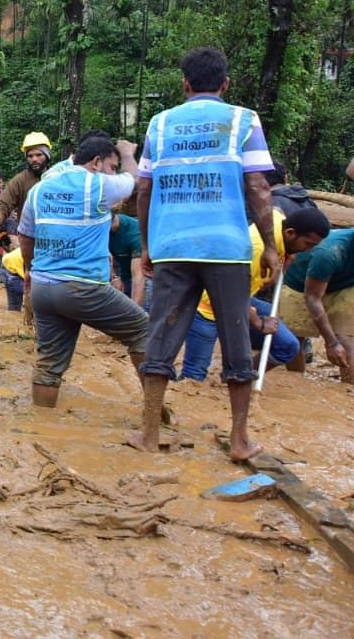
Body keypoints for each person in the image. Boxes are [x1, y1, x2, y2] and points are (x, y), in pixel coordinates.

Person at [130, 47, 279, 462]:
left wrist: (147, 244)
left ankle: (147, 434)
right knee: (234, 338)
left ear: (185, 84)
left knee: (161, 335)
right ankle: (239, 440)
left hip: (173, 246)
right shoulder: (243, 120)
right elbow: (258, 188)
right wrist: (268, 244)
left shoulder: (160, 124)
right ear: (226, 84)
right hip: (227, 248)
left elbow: (144, 189)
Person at [19, 137, 147, 406]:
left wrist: (29, 273)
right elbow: (134, 179)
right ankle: (155, 414)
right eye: (112, 167)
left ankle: (40, 427)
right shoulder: (97, 184)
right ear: (97, 162)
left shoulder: (40, 189)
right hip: (83, 288)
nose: (113, 172)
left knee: (49, 364)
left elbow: (26, 237)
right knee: (144, 330)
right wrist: (126, 153)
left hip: (43, 288)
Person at [183, 207, 329, 381]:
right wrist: (258, 323)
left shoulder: (275, 222)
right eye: (307, 244)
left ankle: (234, 381)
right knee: (194, 376)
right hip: (208, 308)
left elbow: (275, 208)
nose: (308, 250)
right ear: (290, 233)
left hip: (239, 298)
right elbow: (231, 297)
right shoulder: (257, 251)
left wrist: (285, 255)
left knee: (288, 346)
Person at [279, 214, 354, 383]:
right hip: (299, 285)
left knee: (347, 336)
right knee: (295, 337)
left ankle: (348, 389)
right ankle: (298, 381)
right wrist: (331, 343)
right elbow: (312, 298)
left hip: (345, 283)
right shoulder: (328, 253)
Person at [0, 132, 53, 235]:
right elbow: (3, 206)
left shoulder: (57, 177)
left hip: (54, 235)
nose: (34, 159)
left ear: (47, 156)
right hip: (28, 237)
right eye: (30, 156)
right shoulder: (19, 180)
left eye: (39, 155)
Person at [109, 213, 148, 309]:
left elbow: (138, 276)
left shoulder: (134, 233)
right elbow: (105, 254)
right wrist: (114, 277)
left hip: (147, 273)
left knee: (142, 308)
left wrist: (135, 311)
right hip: (123, 270)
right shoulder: (100, 230)